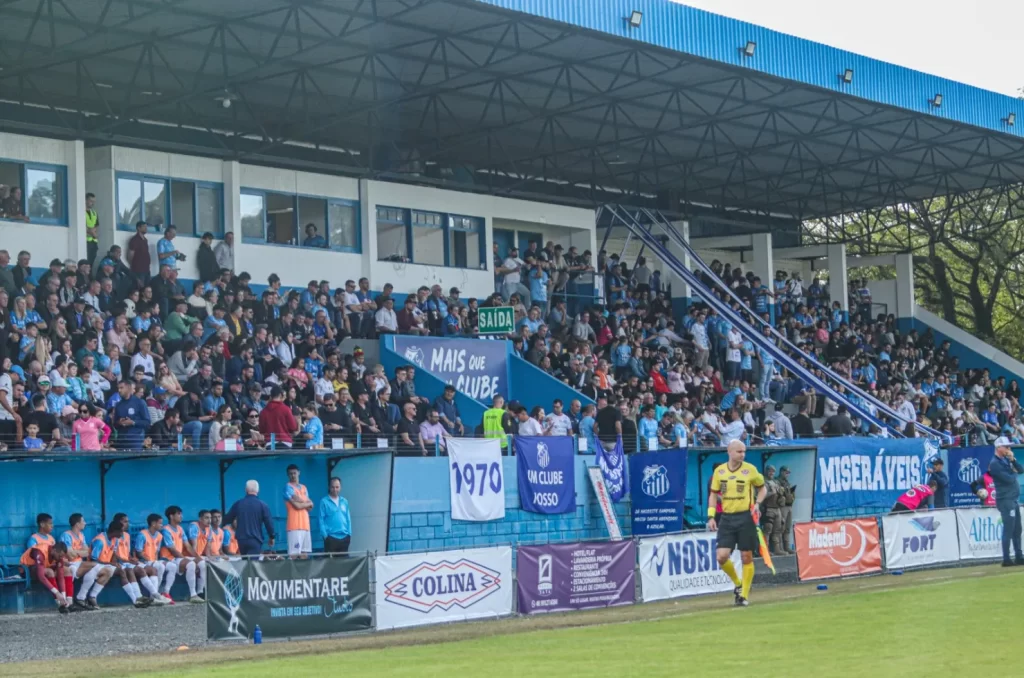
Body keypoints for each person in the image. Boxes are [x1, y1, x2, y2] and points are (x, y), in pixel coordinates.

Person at [707, 439, 766, 607]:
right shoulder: (719, 471)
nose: (743, 455)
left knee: (746, 556)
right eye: (739, 451)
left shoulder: (750, 469)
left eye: (744, 451)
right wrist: (711, 516)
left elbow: (762, 488)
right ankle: (738, 584)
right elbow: (713, 494)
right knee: (721, 556)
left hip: (746, 517)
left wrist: (757, 504)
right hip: (726, 518)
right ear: (729, 451)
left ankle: (743, 595)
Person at [20, 513, 73, 613]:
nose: (52, 526)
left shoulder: (56, 549)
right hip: (28, 569)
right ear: (42, 524)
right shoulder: (38, 549)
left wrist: (63, 594)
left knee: (65, 570)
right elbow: (41, 576)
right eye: (50, 523)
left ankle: (68, 602)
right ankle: (59, 603)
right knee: (49, 572)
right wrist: (57, 593)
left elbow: (61, 575)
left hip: (44, 566)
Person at [988, 437, 1024, 566]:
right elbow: (1008, 479)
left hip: (1013, 499)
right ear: (999, 447)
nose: (1008, 449)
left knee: (1017, 529)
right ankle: (1006, 558)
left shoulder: (1006, 460)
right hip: (1005, 500)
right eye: (1006, 446)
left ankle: (1019, 556)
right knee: (1009, 529)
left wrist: (1013, 460)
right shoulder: (995, 463)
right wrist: (1014, 473)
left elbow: (1021, 470)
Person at [63, 512, 108, 611]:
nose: (85, 523)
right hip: (70, 564)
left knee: (102, 569)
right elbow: (70, 555)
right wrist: (80, 552)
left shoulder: (81, 535)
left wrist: (76, 552)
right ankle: (76, 600)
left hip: (79, 563)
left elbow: (87, 552)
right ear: (77, 524)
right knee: (93, 565)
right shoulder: (66, 535)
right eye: (83, 521)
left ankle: (81, 598)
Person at [159, 505, 202, 604]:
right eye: (178, 514)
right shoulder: (166, 530)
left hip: (178, 558)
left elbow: (188, 547)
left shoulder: (180, 529)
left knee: (201, 562)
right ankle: (193, 595)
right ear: (171, 516)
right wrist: (187, 560)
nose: (181, 516)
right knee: (191, 564)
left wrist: (197, 558)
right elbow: (172, 550)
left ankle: (200, 593)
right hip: (168, 558)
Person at [224, 480, 275, 555]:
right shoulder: (263, 505)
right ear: (258, 490)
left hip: (241, 540)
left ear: (245, 490)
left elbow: (228, 518)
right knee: (253, 561)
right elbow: (269, 523)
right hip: (255, 539)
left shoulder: (238, 504)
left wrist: (222, 526)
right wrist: (272, 536)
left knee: (245, 559)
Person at [284, 465, 314, 558]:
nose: (293, 475)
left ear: (299, 473)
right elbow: (297, 506)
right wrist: (306, 502)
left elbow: (311, 506)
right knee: (294, 555)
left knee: (304, 554)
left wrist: (301, 500)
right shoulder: (288, 487)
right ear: (288, 475)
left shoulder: (304, 487)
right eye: (290, 474)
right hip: (294, 526)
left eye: (294, 473)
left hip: (305, 525)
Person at [319, 476, 352, 555]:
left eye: (337, 487)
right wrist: (325, 536)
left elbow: (348, 518)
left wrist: (349, 534)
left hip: (344, 537)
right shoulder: (324, 501)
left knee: (344, 562)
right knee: (330, 562)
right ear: (329, 487)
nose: (335, 489)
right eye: (332, 487)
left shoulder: (344, 501)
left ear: (340, 487)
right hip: (331, 538)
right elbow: (321, 520)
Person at [761, 465, 784, 555]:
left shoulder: (776, 482)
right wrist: (771, 493)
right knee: (767, 531)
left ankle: (777, 549)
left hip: (777, 508)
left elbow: (780, 495)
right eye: (770, 471)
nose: (771, 473)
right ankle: (765, 550)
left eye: (773, 471)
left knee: (777, 530)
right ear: (766, 471)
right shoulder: (763, 482)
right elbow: (760, 496)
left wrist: (781, 494)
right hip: (768, 509)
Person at [777, 466, 796, 553]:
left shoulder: (787, 482)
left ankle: (787, 547)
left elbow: (792, 494)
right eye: (786, 472)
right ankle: (780, 548)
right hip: (782, 506)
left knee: (787, 528)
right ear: (781, 472)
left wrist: (792, 497)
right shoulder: (777, 481)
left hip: (789, 506)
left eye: (788, 473)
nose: (787, 474)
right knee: (781, 527)